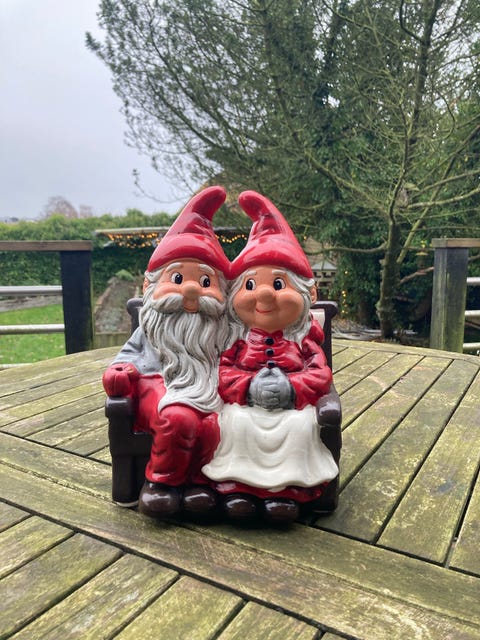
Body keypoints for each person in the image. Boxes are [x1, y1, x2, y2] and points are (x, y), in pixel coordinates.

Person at [202, 190, 339, 525]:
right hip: (246, 405)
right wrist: (247, 387)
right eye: (251, 285)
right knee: (233, 423)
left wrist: (292, 388)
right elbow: (223, 372)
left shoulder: (302, 341)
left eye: (278, 284)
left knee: (301, 426)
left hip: (291, 407)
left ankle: (286, 493)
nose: (264, 295)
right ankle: (239, 490)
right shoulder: (237, 340)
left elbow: (320, 375)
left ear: (307, 294)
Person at [103, 186, 230, 519]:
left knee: (215, 424)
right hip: (157, 384)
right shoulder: (152, 327)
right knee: (177, 418)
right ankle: (160, 485)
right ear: (150, 287)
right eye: (177, 278)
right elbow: (125, 360)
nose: (191, 289)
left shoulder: (219, 328)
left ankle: (199, 485)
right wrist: (121, 373)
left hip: (207, 390)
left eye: (206, 281)